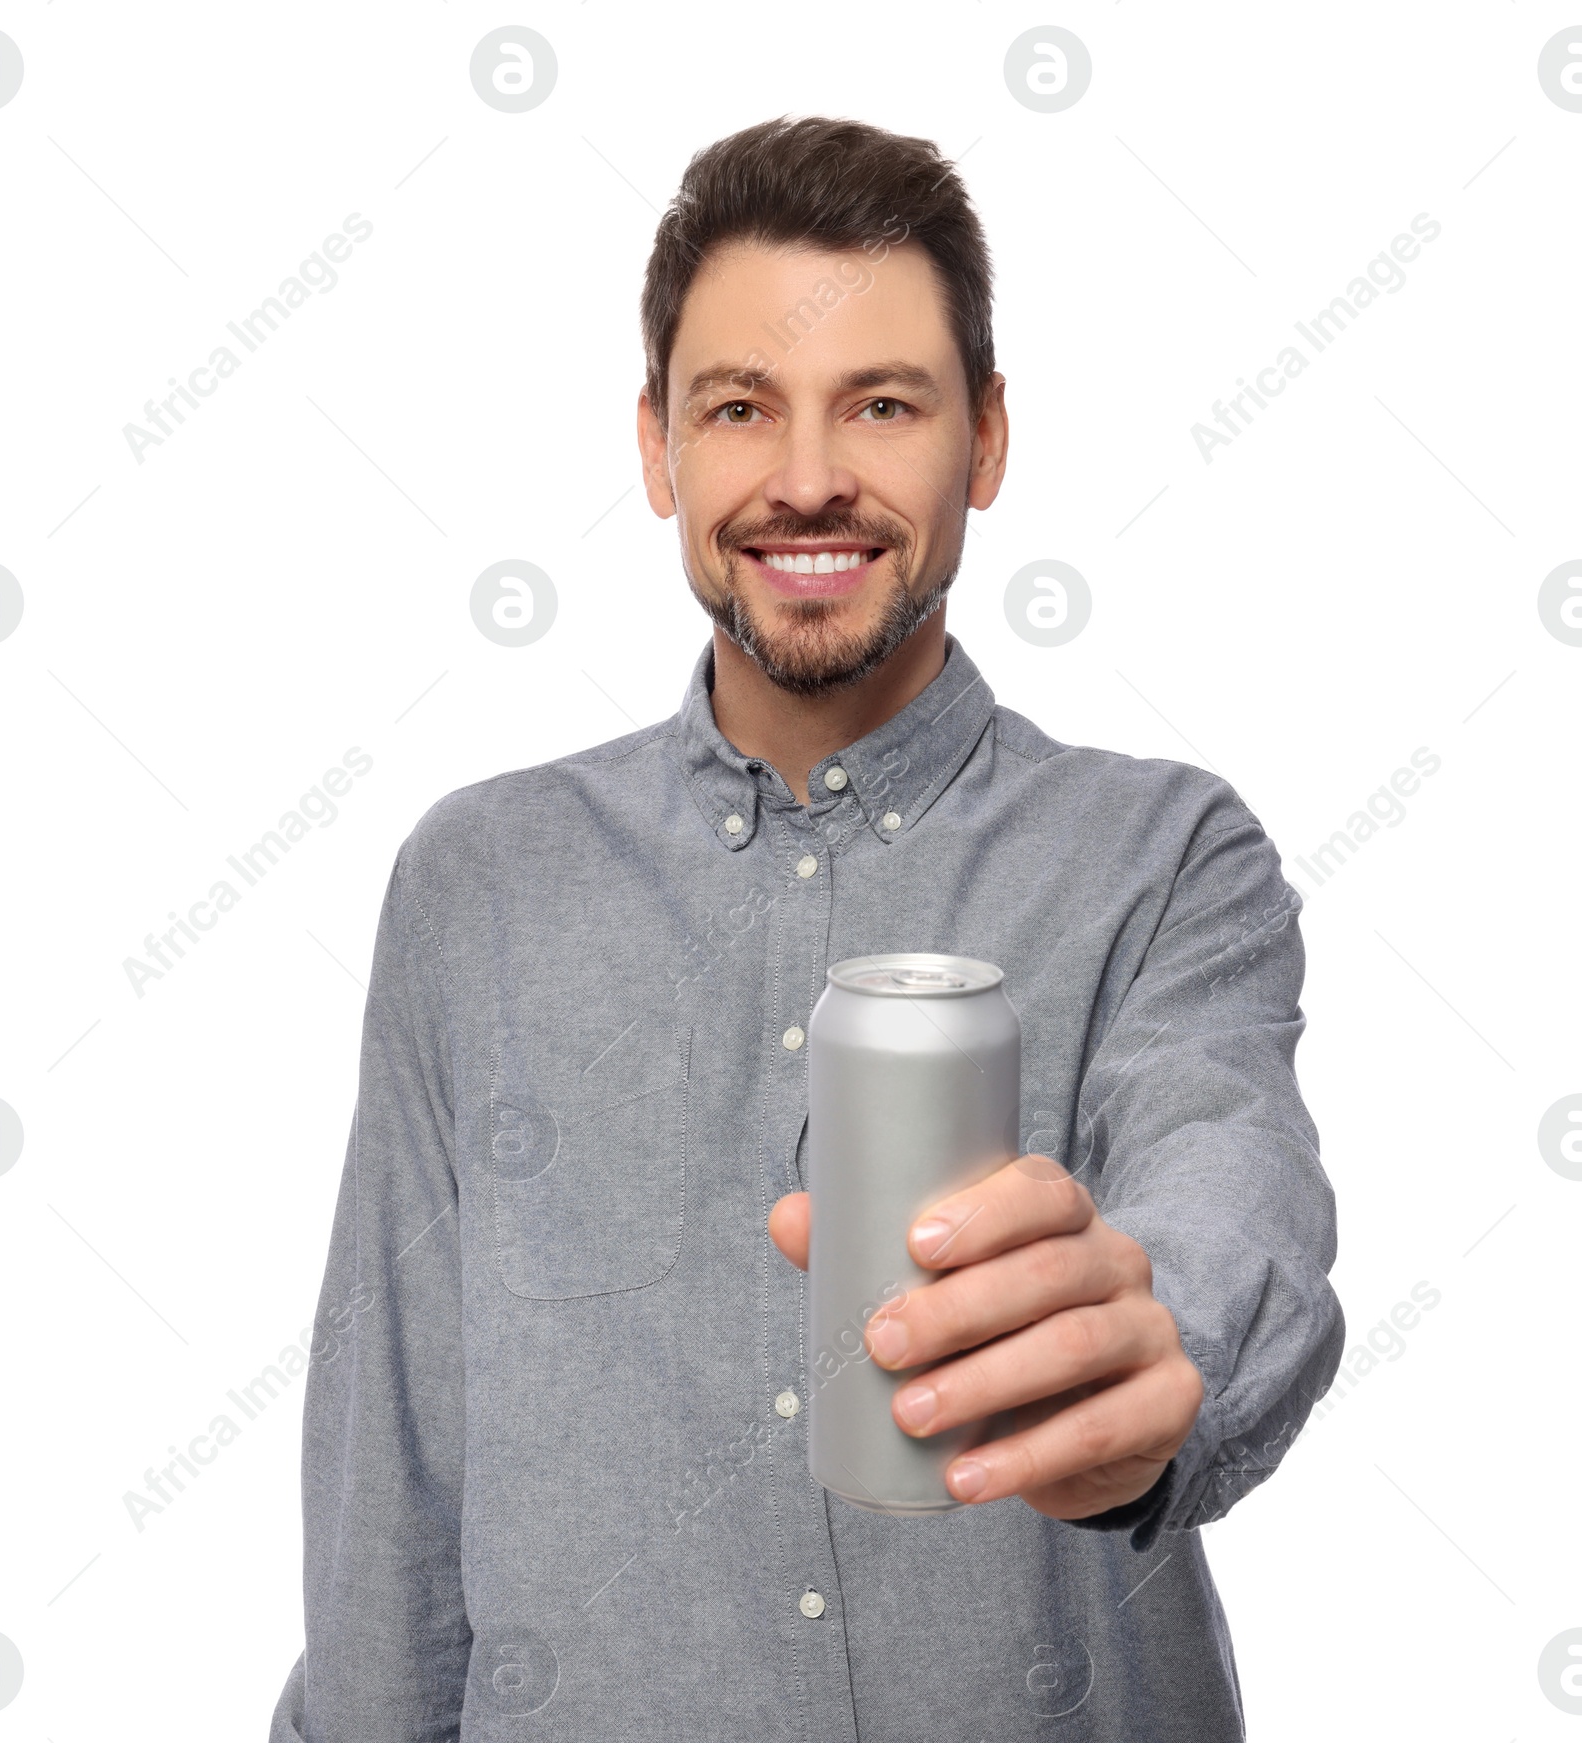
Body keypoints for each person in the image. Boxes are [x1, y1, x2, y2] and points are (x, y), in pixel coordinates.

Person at [270, 114, 1343, 1742]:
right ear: (658, 450)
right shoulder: (477, 886)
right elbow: (392, 1465)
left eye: (885, 405)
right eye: (739, 409)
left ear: (985, 441)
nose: (807, 478)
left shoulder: (1163, 855)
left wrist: (1156, 1367)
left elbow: (1229, 1175)